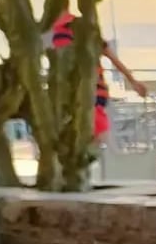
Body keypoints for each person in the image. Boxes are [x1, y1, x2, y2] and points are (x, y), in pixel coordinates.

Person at [49, 10, 148, 145]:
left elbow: (64, 67)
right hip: (88, 93)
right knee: (93, 140)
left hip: (87, 93)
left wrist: (133, 81)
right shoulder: (77, 29)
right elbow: (112, 57)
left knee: (96, 139)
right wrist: (132, 81)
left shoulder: (65, 31)